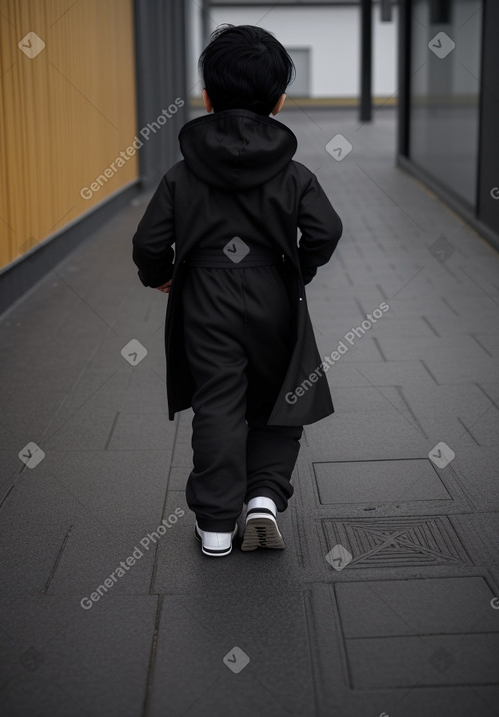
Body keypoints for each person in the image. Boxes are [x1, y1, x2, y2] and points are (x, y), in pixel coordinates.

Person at [132, 24, 342, 557]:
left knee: (219, 402)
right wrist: (300, 270)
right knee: (280, 395)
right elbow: (325, 231)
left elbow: (149, 241)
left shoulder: (181, 174)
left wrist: (161, 274)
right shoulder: (294, 174)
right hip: (273, 291)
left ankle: (216, 527)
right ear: (279, 101)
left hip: (204, 294)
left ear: (205, 97)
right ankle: (265, 500)